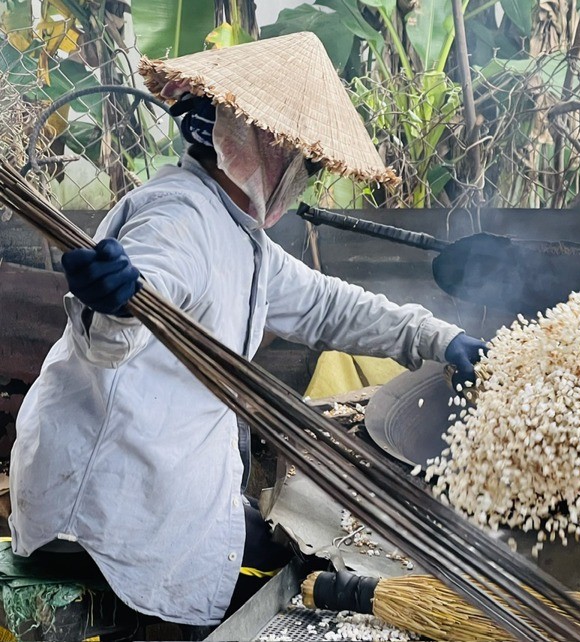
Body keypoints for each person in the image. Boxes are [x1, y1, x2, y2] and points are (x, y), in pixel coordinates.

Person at [8, 32, 485, 633]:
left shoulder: (240, 235)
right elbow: (125, 321)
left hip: (167, 483)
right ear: (261, 147)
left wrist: (439, 338)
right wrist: (117, 297)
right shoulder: (179, 217)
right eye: (303, 163)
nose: (305, 177)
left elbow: (327, 305)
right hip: (106, 510)